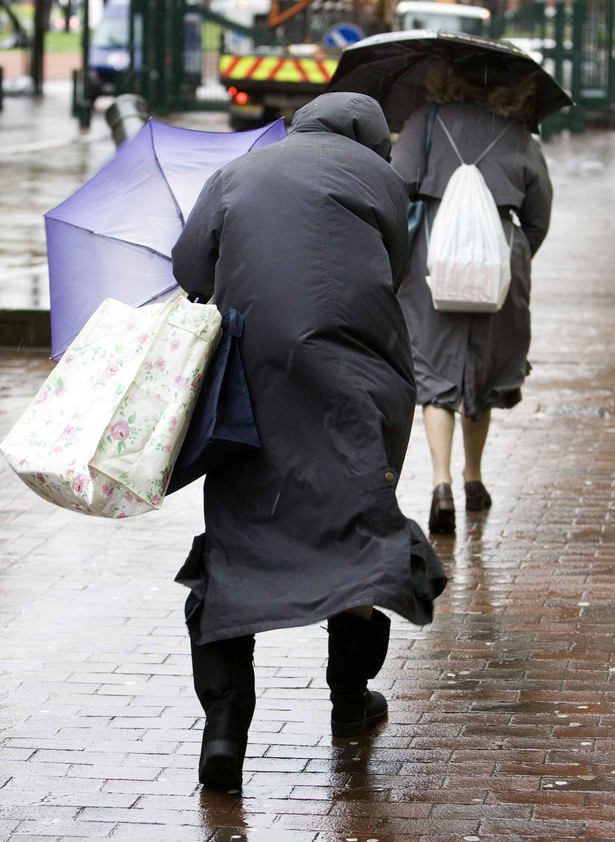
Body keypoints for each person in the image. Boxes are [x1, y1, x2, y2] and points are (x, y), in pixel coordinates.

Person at [171, 92, 447, 789]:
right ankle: (350, 705)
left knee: (238, 546)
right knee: (354, 534)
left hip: (250, 393)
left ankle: (224, 737)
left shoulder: (237, 172)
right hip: (360, 389)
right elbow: (399, 274)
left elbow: (189, 272)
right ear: (366, 136)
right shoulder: (378, 180)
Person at [390, 63, 553, 534]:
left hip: (432, 261)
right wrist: (511, 259)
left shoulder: (425, 121)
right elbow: (539, 213)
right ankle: (473, 478)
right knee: (480, 369)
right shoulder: (520, 132)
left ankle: (440, 483)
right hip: (500, 260)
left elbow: (396, 189)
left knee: (434, 368)